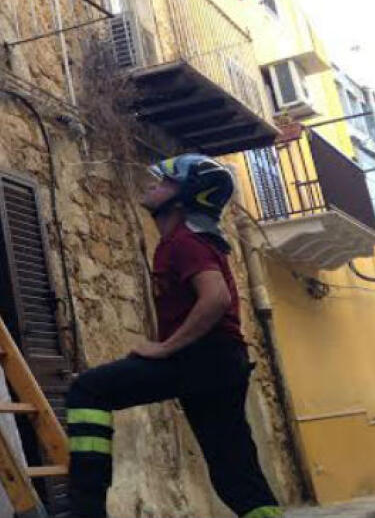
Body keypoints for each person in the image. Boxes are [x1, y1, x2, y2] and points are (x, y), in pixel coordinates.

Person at [65, 154, 282, 518]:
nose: (153, 185)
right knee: (234, 471)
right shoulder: (196, 241)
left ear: (184, 198)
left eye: (164, 182)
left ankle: (87, 509)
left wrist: (166, 347)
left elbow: (216, 298)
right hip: (223, 362)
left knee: (88, 390)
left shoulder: (183, 242)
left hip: (202, 359)